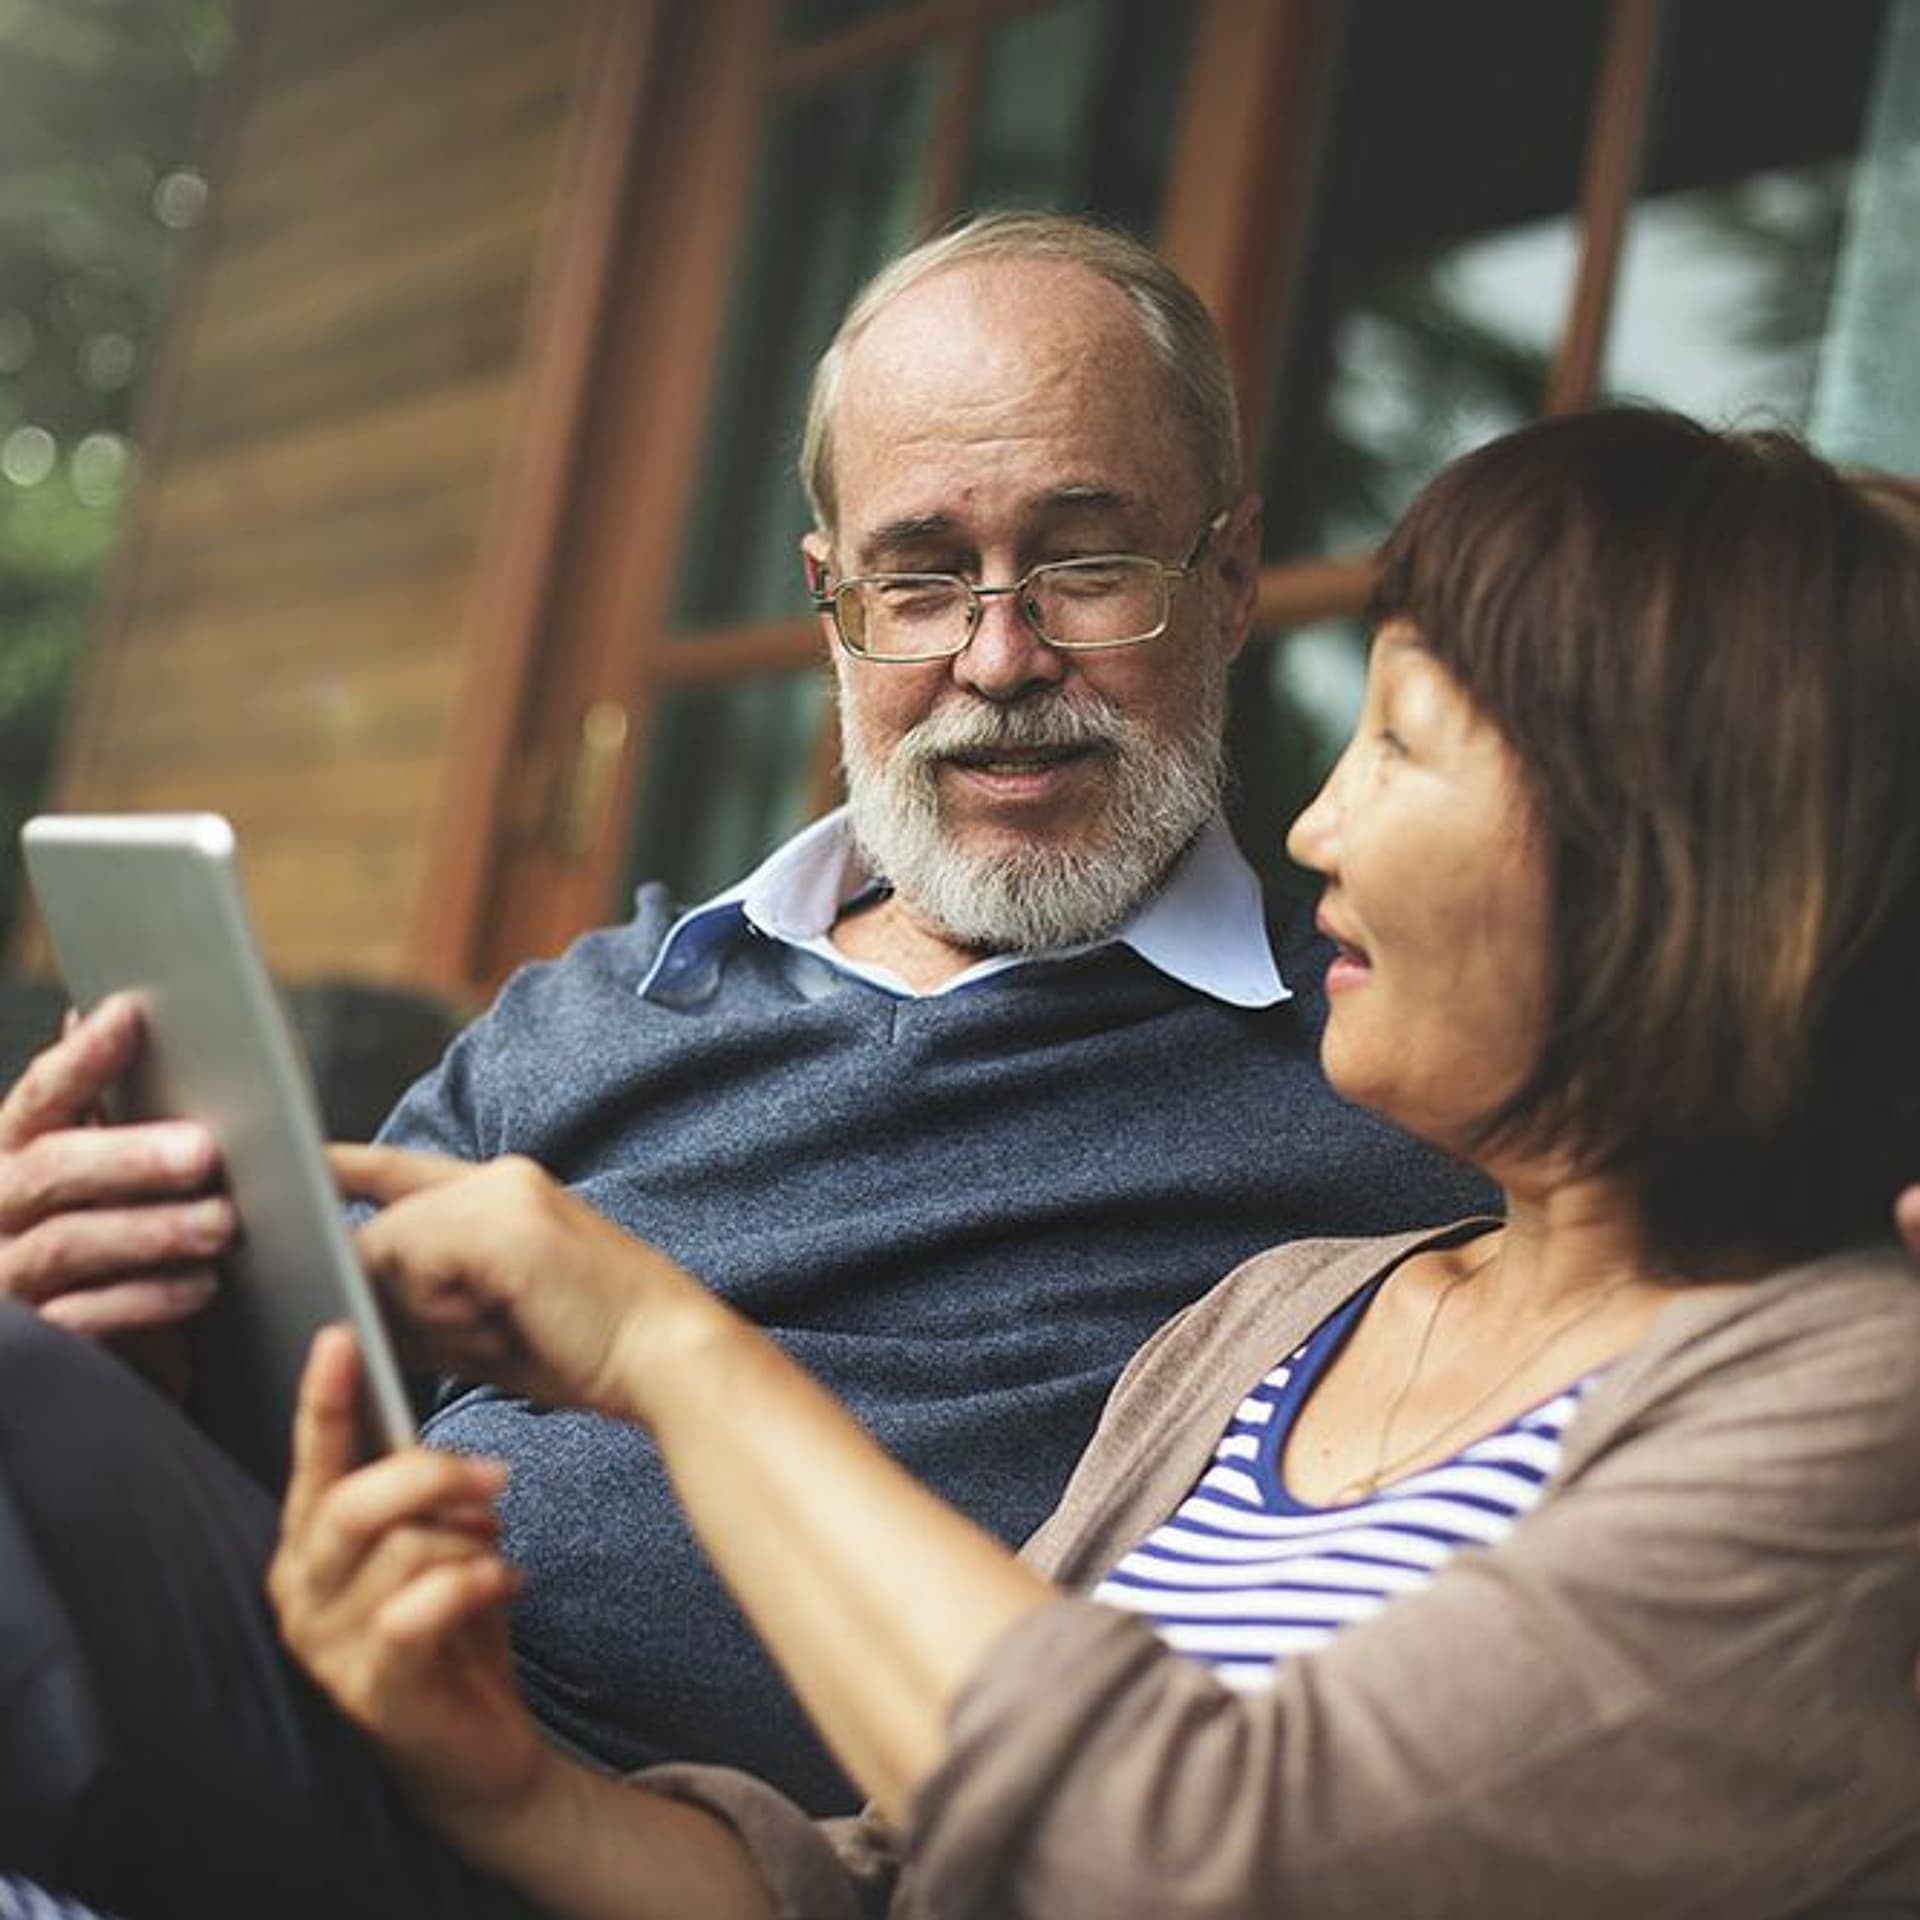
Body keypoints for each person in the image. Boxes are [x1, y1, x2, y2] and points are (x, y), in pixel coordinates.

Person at [259, 407, 1920, 1919]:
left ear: (1671, 850)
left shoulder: (1858, 1405)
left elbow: (1187, 1859)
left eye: (1401, 745)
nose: (1317, 829)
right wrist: (517, 1795)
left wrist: (668, 1352)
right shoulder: (1286, 1317)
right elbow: (900, 1880)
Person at [0, 214, 1487, 1810]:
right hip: (330, 1730)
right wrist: (136, 1351)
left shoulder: (1370, 1072)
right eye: (919, 579)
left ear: (1235, 577)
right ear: (827, 601)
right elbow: (308, 1422)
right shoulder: (596, 1010)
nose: (998, 657)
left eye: (1085, 564)